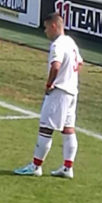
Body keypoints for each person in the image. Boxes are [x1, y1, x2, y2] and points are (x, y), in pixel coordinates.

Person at [14, 12, 83, 179]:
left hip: (59, 92)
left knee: (46, 128)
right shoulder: (70, 42)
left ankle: (35, 166)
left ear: (53, 26)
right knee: (68, 130)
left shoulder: (58, 45)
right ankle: (67, 168)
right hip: (72, 91)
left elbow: (56, 66)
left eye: (46, 28)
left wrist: (49, 84)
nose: (45, 32)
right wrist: (70, 78)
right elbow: (80, 63)